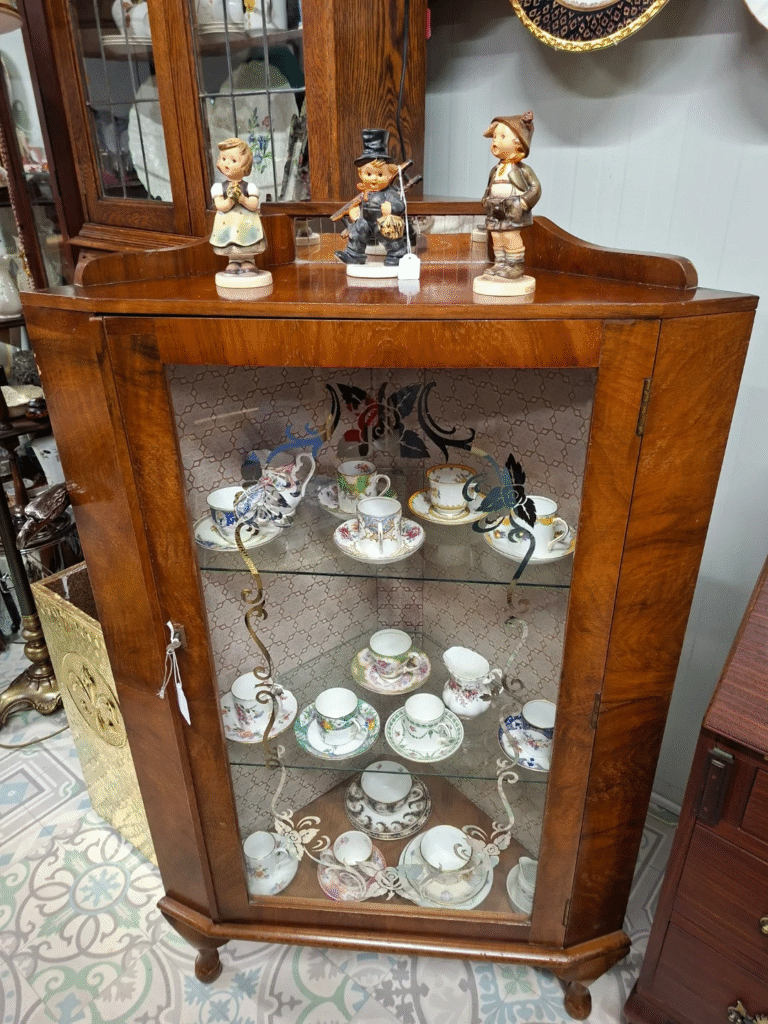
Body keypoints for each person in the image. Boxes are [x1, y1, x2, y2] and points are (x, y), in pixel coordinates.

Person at [335, 129, 411, 267]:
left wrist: (391, 208)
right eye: (369, 174)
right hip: (366, 221)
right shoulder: (365, 193)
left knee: (389, 236)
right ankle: (354, 254)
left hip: (381, 221)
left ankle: (397, 254)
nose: (374, 179)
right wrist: (355, 213)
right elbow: (361, 206)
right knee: (357, 230)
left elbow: (400, 204)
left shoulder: (389, 192)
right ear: (360, 174)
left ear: (389, 176)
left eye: (380, 175)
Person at [480, 112, 541, 280]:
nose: (495, 141)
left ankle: (514, 265)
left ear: (518, 142)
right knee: (496, 235)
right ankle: (500, 263)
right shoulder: (495, 170)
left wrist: (523, 202)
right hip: (495, 207)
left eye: (502, 136)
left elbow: (535, 187)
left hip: (513, 207)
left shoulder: (522, 170)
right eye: (494, 137)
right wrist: (485, 199)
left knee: (509, 235)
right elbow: (489, 187)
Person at [209, 137, 266, 275]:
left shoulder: (250, 187)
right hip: (227, 223)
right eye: (223, 159)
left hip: (246, 222)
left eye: (233, 160)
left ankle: (248, 262)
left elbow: (253, 205)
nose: (226, 163)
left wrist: (241, 199)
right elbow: (220, 206)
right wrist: (229, 201)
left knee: (247, 241)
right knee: (230, 242)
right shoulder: (218, 187)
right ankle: (232, 262)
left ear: (245, 166)